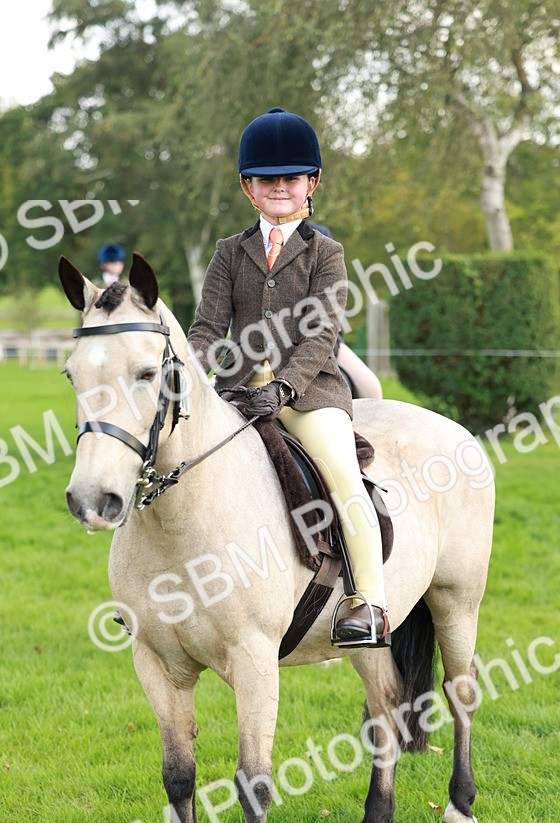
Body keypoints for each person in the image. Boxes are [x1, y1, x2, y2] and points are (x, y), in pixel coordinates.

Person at [187, 107, 389, 646]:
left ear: (311, 184)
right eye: (266, 179)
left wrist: (285, 387)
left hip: (310, 394)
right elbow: (207, 326)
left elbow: (321, 334)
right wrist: (192, 369)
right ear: (247, 188)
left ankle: (368, 601)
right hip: (241, 393)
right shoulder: (229, 253)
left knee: (344, 478)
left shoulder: (327, 253)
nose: (279, 187)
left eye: (290, 179)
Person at [307, 223, 383, 402]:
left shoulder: (321, 235)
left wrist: (328, 345)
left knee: (372, 388)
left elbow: (332, 305)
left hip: (324, 340)